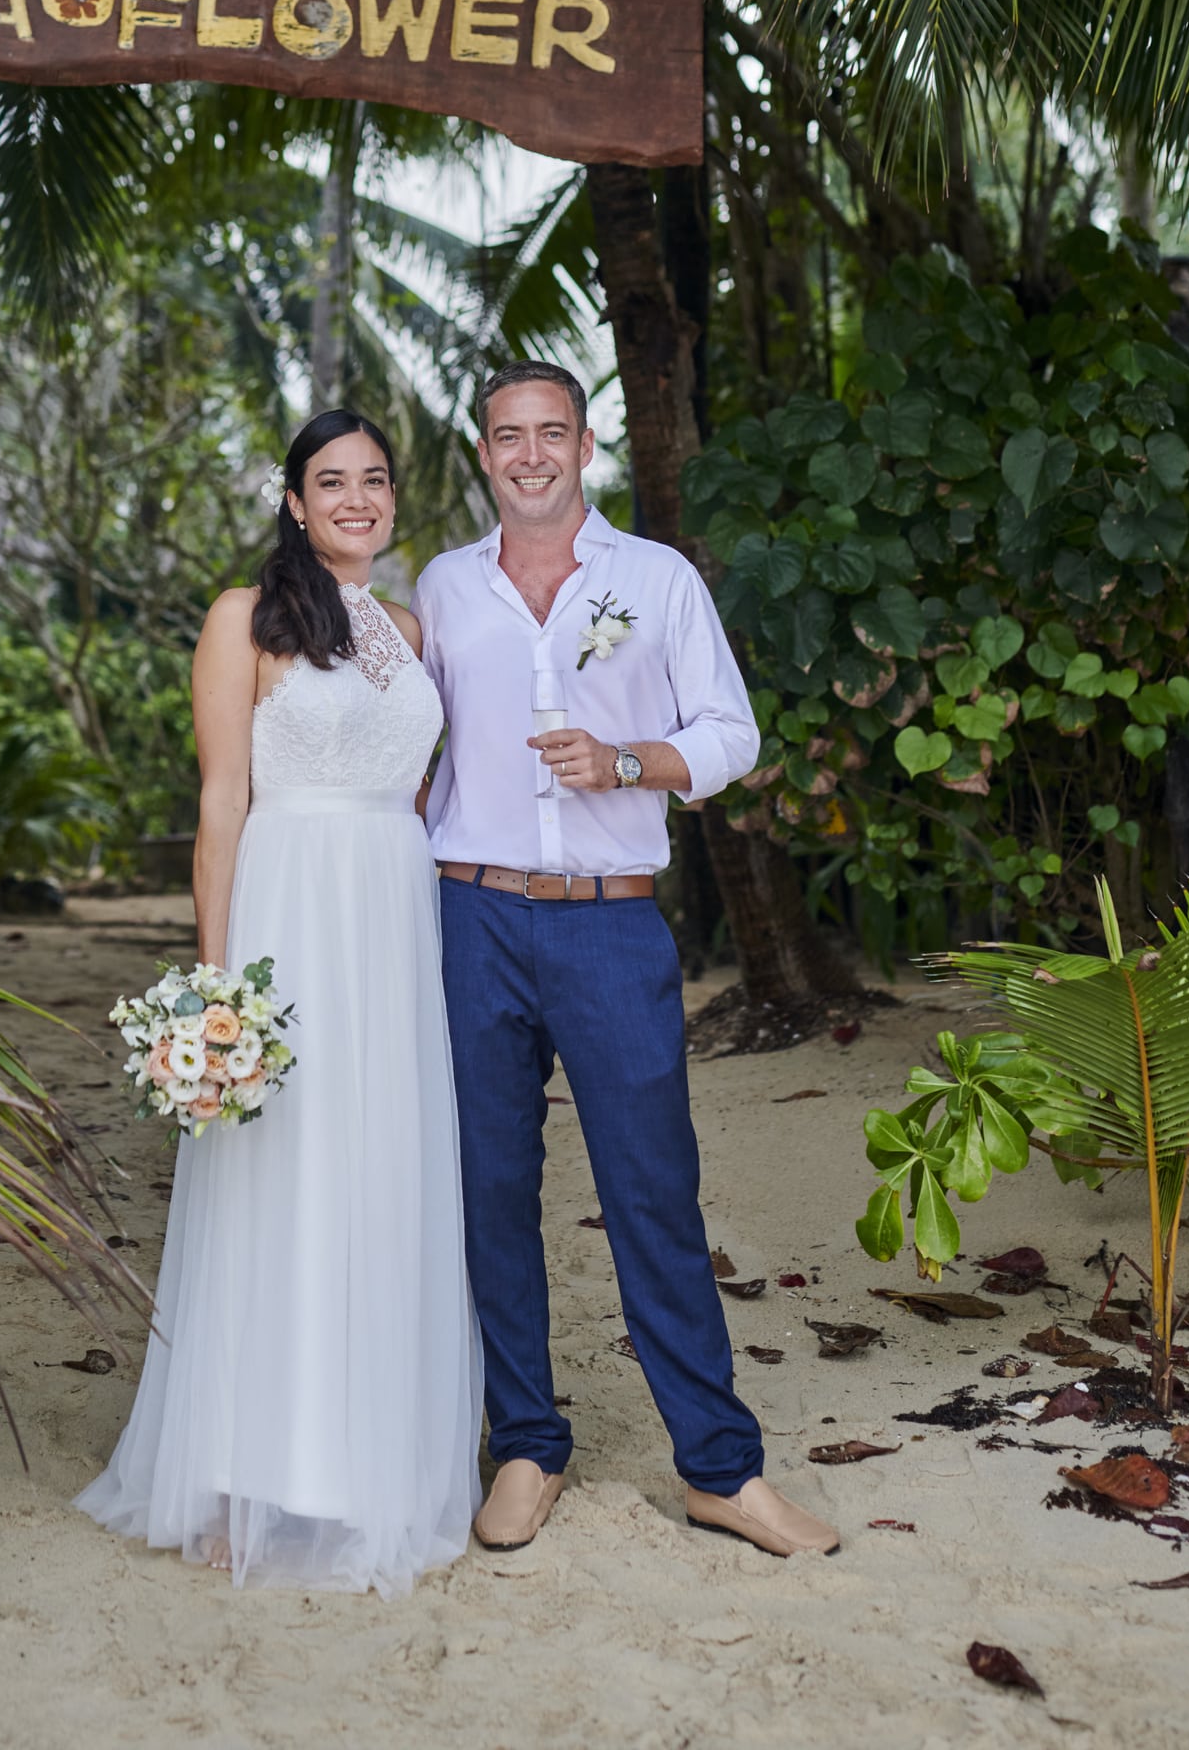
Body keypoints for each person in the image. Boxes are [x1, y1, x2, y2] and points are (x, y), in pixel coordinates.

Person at [413, 362, 840, 1560]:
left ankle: (718, 1468)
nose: (532, 453)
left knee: (651, 1188)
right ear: (484, 453)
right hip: (471, 915)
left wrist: (629, 761)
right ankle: (526, 1445)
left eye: (553, 431)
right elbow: (402, 740)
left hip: (609, 920)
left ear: (586, 443)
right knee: (490, 1187)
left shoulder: (656, 578)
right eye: (510, 435)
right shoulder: (443, 589)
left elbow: (732, 732)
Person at [77, 410, 481, 1597]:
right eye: (330, 481)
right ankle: (244, 1476)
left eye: (375, 479)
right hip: (291, 918)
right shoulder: (241, 619)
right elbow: (220, 808)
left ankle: (368, 1468)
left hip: (393, 919)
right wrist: (219, 994)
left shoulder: (407, 630)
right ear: (295, 503)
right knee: (280, 1180)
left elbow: (417, 791)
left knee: (380, 1177)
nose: (356, 497)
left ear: (393, 498)